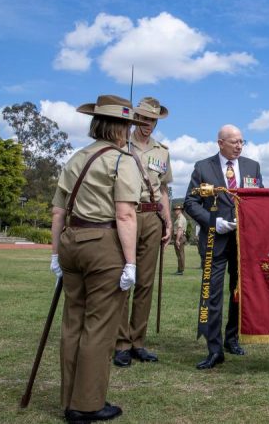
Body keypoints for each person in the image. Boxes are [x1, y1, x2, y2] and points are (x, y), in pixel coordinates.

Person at [50, 95, 147, 422]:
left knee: (73, 322)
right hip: (103, 244)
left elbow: (58, 211)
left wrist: (55, 254)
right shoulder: (123, 160)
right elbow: (125, 215)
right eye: (128, 125)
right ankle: (86, 404)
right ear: (121, 127)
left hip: (70, 243)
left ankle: (69, 399)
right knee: (99, 327)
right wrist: (131, 263)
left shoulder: (77, 158)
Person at [184, 124, 264, 369]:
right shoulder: (203, 167)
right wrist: (213, 221)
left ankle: (232, 338)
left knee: (239, 291)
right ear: (220, 143)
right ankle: (214, 348)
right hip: (215, 240)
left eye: (242, 141)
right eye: (234, 142)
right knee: (213, 293)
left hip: (242, 241)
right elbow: (190, 201)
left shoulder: (252, 167)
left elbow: (259, 199)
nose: (239, 146)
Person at [114, 97, 172, 368]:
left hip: (152, 218)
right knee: (124, 279)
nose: (148, 125)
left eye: (153, 120)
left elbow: (163, 190)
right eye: (144, 119)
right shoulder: (121, 145)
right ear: (136, 118)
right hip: (127, 214)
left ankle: (138, 342)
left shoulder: (163, 151)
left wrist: (168, 222)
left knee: (146, 283)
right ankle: (121, 342)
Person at [173, 205, 188, 275]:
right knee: (180, 254)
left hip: (180, 237)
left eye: (177, 209)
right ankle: (180, 269)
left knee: (180, 254)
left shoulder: (180, 218)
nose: (175, 211)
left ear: (180, 210)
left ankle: (181, 270)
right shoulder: (180, 218)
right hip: (181, 237)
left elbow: (180, 229)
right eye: (175, 209)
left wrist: (177, 240)